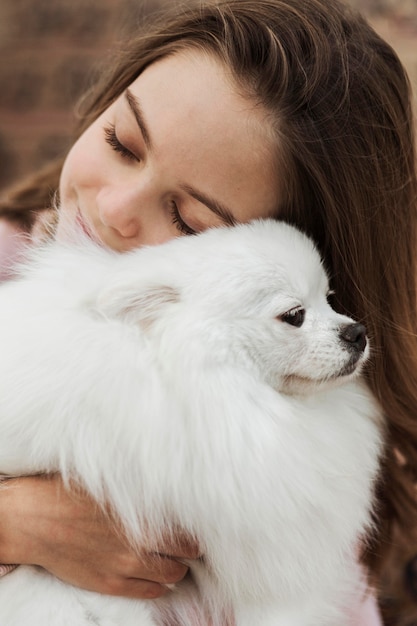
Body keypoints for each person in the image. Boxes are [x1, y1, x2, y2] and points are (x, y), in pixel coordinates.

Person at [0, 0, 416, 623]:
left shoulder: (303, 452)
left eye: (190, 222)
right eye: (122, 142)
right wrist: (14, 524)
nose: (114, 207)